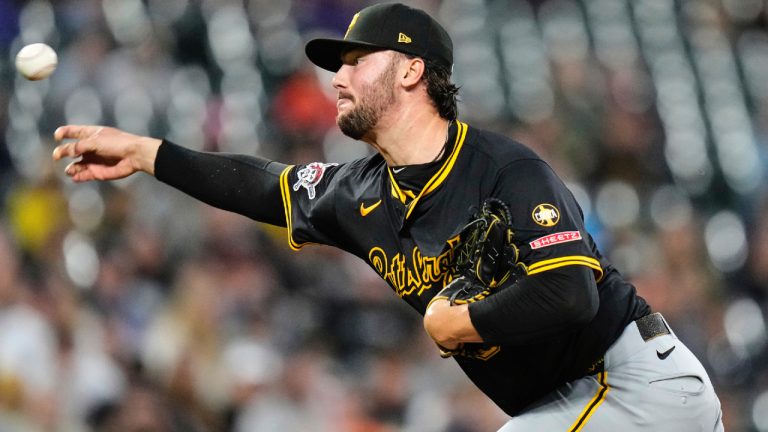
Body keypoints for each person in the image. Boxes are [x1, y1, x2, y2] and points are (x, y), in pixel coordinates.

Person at [52, 3, 723, 430]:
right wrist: (145, 153)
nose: (336, 78)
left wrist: (463, 319)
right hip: (562, 405)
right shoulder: (359, 194)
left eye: (353, 61)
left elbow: (570, 290)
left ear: (409, 71)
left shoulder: (503, 168)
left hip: (629, 383)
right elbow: (264, 186)